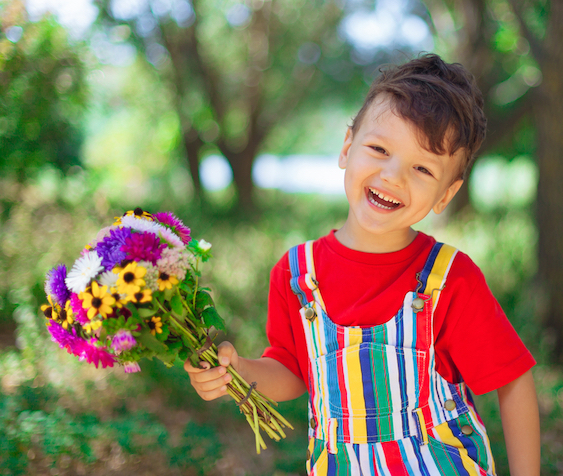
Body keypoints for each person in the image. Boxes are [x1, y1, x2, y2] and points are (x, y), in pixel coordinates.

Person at [185, 53, 540, 475]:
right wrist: (236, 371)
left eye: (423, 169)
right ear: (347, 147)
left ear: (446, 194)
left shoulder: (450, 279)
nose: (393, 176)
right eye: (378, 149)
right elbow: (293, 371)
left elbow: (512, 381)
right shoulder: (297, 274)